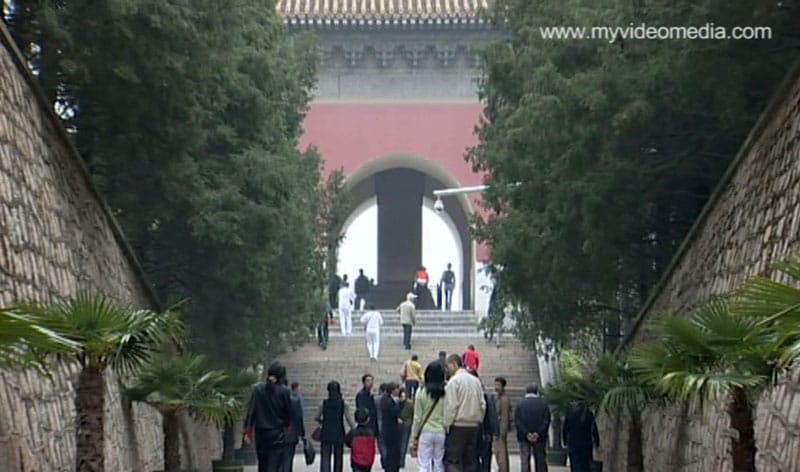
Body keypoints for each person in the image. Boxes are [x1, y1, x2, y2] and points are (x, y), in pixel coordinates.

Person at [244, 362, 294, 472]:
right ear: (281, 376)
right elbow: (288, 413)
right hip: (276, 433)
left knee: (262, 463)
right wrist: (286, 425)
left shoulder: (258, 389)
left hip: (260, 433)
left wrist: (248, 430)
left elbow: (251, 411)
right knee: (274, 464)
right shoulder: (284, 391)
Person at [443, 354, 486, 472]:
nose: (447, 369)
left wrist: (447, 424)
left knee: (454, 460)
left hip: (458, 425)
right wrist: (479, 419)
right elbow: (482, 404)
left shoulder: (454, 381)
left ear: (454, 364)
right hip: (474, 426)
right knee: (470, 460)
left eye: (448, 366)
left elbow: (451, 406)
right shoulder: (476, 381)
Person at [411, 362, 447, 472]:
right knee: (439, 463)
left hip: (425, 431)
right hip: (441, 431)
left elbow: (417, 417)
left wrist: (415, 435)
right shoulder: (446, 392)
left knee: (424, 463)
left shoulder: (421, 391)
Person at [315, 381, 355, 472]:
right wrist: (354, 429)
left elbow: (316, 417)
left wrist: (323, 421)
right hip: (339, 432)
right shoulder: (343, 404)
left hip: (326, 432)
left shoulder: (323, 403)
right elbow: (348, 419)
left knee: (325, 456)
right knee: (338, 456)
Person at [515, 383, 551, 472]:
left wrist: (527, 433)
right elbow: (546, 420)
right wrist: (537, 433)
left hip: (524, 436)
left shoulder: (520, 404)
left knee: (525, 459)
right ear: (537, 391)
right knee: (540, 459)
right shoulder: (543, 404)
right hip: (540, 437)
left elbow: (518, 421)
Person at [562, 403, 600, 472]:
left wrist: (565, 441)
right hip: (586, 444)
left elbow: (565, 429)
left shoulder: (570, 414)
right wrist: (597, 443)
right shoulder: (588, 414)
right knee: (585, 465)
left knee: (575, 465)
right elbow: (594, 429)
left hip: (573, 443)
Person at [473, 371, 498, 472]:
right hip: (483, 431)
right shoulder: (488, 396)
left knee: (477, 457)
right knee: (485, 457)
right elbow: (493, 415)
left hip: (478, 430)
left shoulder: (485, 396)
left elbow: (492, 414)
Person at [284, 378, 307, 472]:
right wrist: (301, 432)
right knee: (288, 458)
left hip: (276, 432)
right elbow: (299, 415)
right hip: (290, 432)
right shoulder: (295, 400)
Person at [381, 383, 404, 472]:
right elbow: (393, 412)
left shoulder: (391, 400)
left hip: (393, 429)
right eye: (396, 389)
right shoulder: (387, 400)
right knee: (391, 452)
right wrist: (400, 403)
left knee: (395, 452)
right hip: (389, 430)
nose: (398, 391)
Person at [493, 377, 512, 472]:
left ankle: (503, 469)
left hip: (500, 430)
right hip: (497, 429)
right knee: (498, 452)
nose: (496, 387)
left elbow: (505, 416)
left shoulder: (504, 399)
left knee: (501, 453)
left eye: (498, 385)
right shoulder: (497, 397)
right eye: (495, 384)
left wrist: (502, 431)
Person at [356, 375, 380, 441]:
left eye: (371, 380)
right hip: (366, 424)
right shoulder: (361, 395)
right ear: (364, 382)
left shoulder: (371, 394)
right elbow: (361, 409)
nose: (370, 382)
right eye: (368, 381)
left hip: (373, 423)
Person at [398, 386, 415, 468]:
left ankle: (400, 460)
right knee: (404, 442)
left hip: (401, 423)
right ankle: (402, 460)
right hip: (407, 423)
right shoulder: (410, 403)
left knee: (401, 442)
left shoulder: (397, 402)